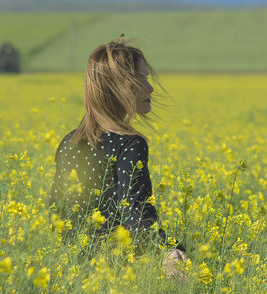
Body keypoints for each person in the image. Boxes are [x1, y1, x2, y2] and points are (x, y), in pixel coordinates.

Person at [49, 37, 187, 280]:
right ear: (121, 87)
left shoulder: (68, 143)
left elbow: (56, 212)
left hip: (71, 272)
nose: (150, 88)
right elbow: (135, 213)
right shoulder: (130, 144)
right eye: (142, 79)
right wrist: (168, 250)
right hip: (117, 276)